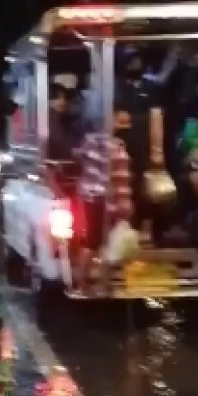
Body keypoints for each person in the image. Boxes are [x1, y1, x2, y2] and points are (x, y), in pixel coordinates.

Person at [75, 104, 134, 290]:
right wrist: (124, 202)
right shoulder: (114, 146)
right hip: (105, 199)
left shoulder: (90, 141)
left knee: (93, 241)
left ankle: (88, 282)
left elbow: (79, 156)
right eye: (122, 121)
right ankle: (99, 283)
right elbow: (119, 177)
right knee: (101, 242)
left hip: (90, 196)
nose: (126, 125)